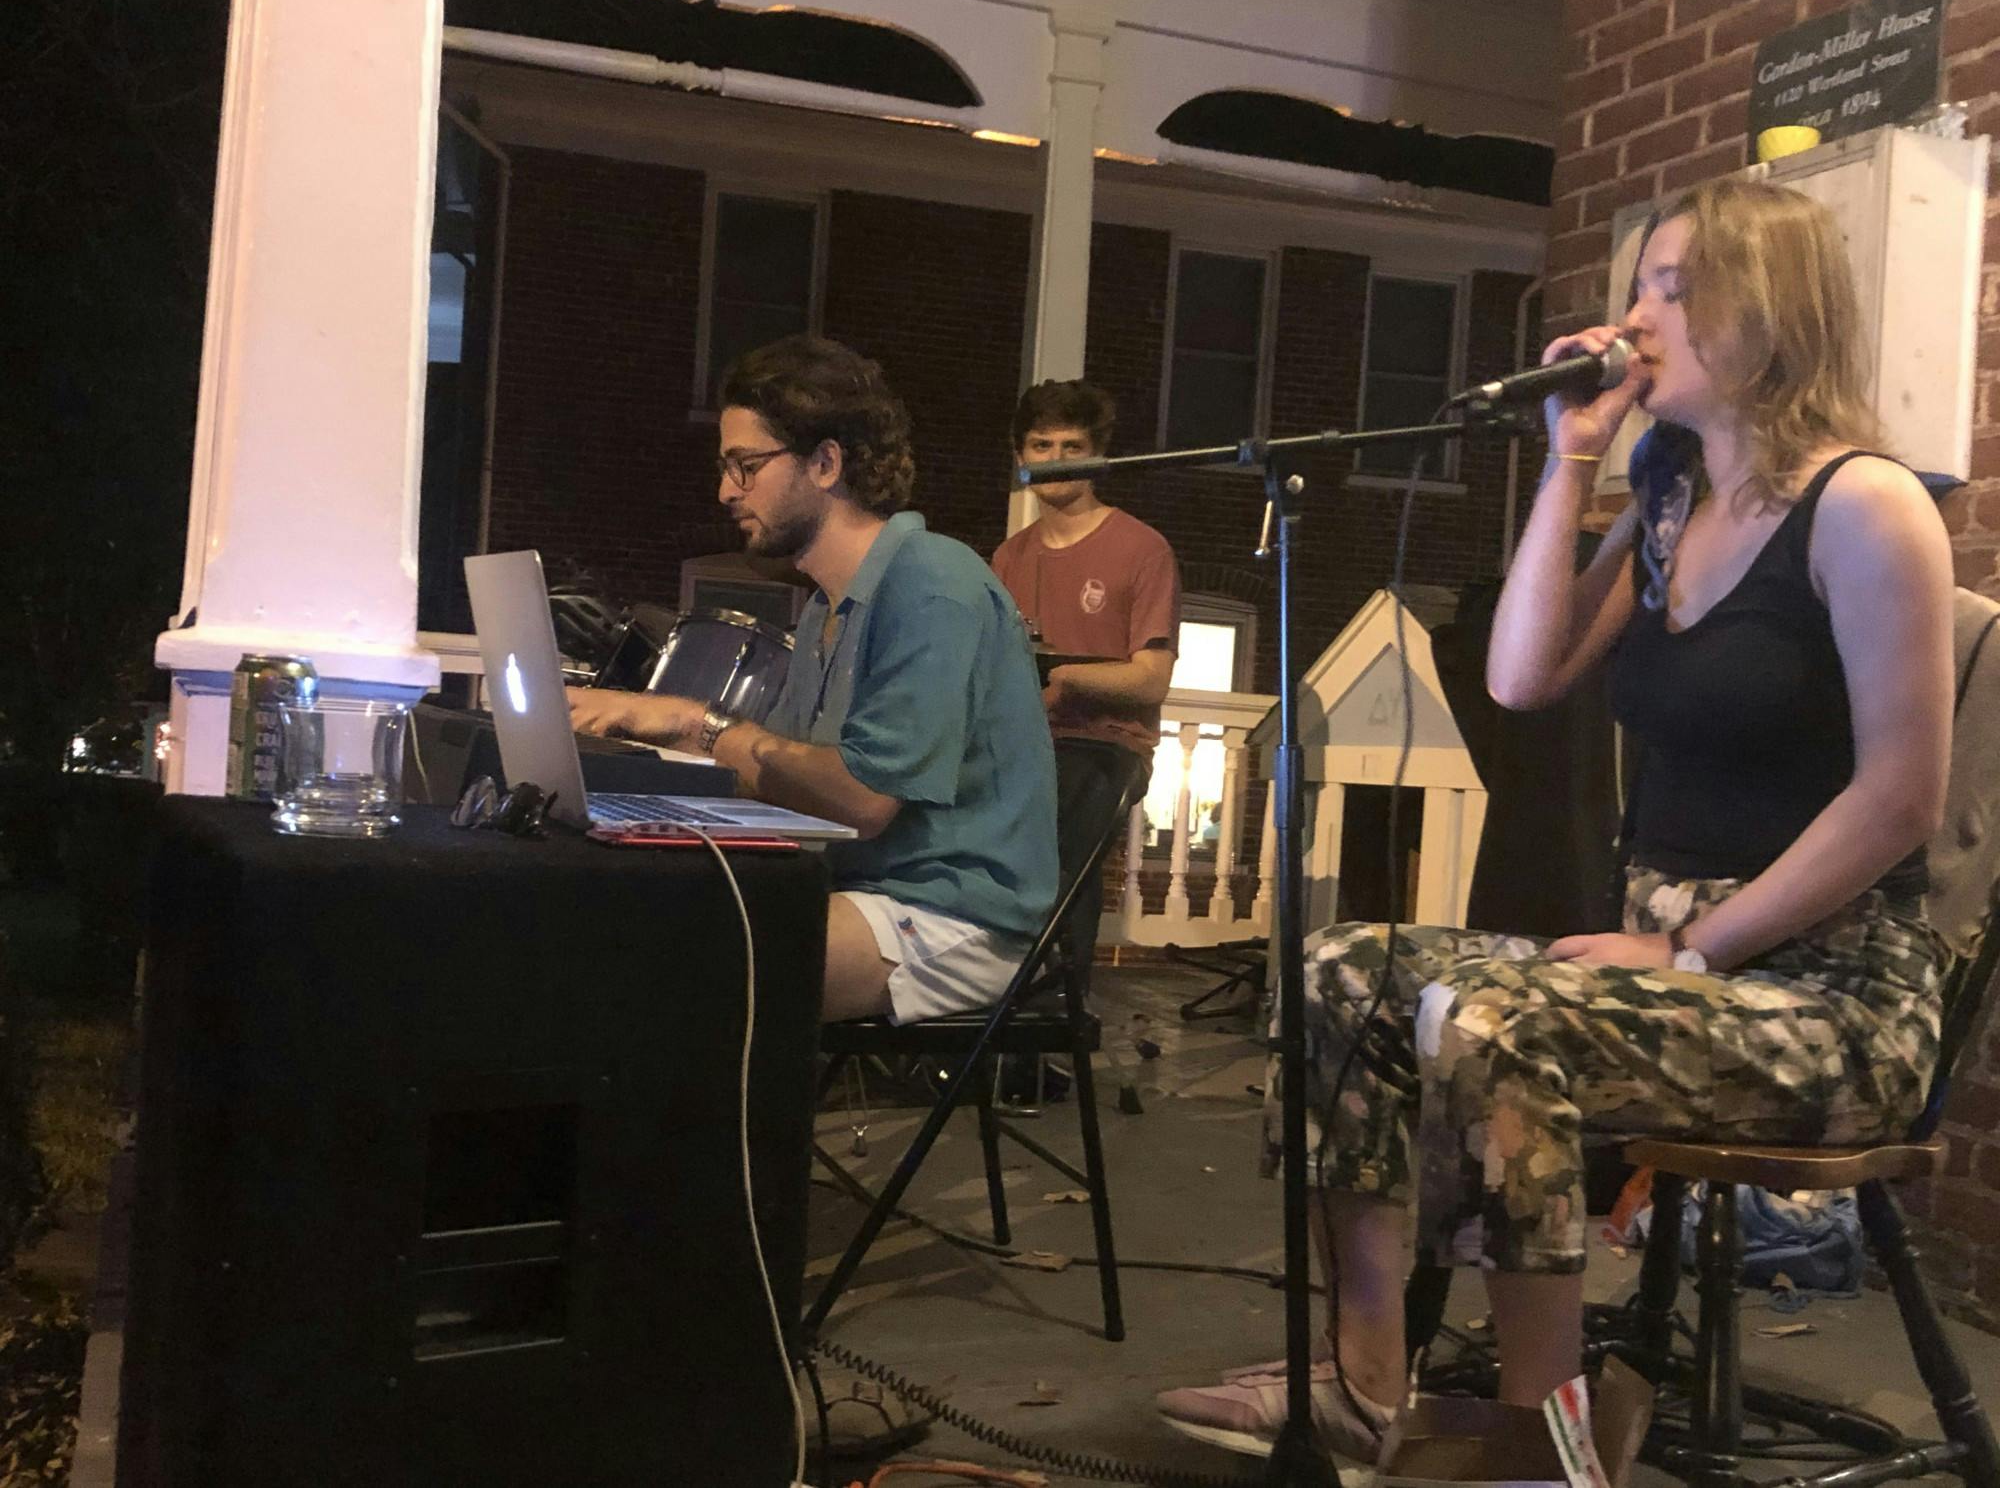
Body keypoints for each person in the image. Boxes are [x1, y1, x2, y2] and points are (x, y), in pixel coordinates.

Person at [1156, 176, 1955, 1464]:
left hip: (1829, 997)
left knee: (1493, 1017)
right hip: (1666, 971)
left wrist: (1696, 951)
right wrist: (1571, 456)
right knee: (1339, 970)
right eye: (1637, 285)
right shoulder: (1670, 502)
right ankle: (1365, 1373)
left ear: (1773, 307)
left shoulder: (1865, 507)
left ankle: (1541, 1432)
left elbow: (1898, 797)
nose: (1637, 316)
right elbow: (1521, 678)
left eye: (1675, 287)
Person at [569, 335, 1059, 1026]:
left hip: (955, 915)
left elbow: (861, 801)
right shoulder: (829, 606)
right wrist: (638, 782)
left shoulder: (932, 582)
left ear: (825, 462)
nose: (725, 491)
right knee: (617, 931)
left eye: (746, 466)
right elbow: (791, 784)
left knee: (677, 971)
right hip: (861, 889)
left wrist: (695, 725)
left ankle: (732, 1138)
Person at [991, 379, 1181, 759]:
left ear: (1097, 456)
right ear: (1021, 458)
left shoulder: (1143, 548)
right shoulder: (1008, 557)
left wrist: (1065, 678)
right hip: (1018, 744)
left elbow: (1152, 679)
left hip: (1101, 748)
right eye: (1041, 446)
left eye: (1072, 446)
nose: (1055, 460)